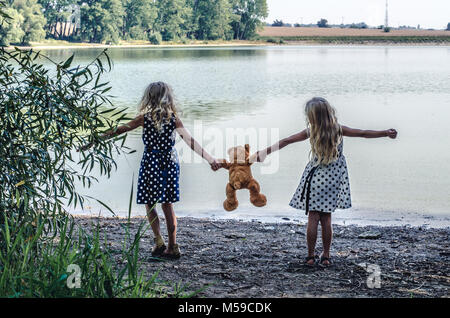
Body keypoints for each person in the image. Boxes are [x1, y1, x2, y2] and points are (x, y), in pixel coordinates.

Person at [251, 97, 398, 267]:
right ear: (329, 113)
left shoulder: (311, 131)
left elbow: (286, 141)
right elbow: (363, 133)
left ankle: (310, 256)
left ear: (311, 117)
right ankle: (326, 256)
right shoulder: (339, 130)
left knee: (313, 217)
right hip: (333, 179)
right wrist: (385, 133)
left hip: (315, 179)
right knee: (326, 218)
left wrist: (263, 153)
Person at [81, 82, 221, 259]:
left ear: (148, 98)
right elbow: (190, 141)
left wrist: (96, 140)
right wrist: (210, 159)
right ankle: (172, 245)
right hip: (169, 163)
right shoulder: (173, 119)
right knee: (167, 204)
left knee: (150, 202)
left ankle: (158, 241)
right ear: (168, 98)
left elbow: (120, 130)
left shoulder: (144, 118)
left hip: (151, 163)